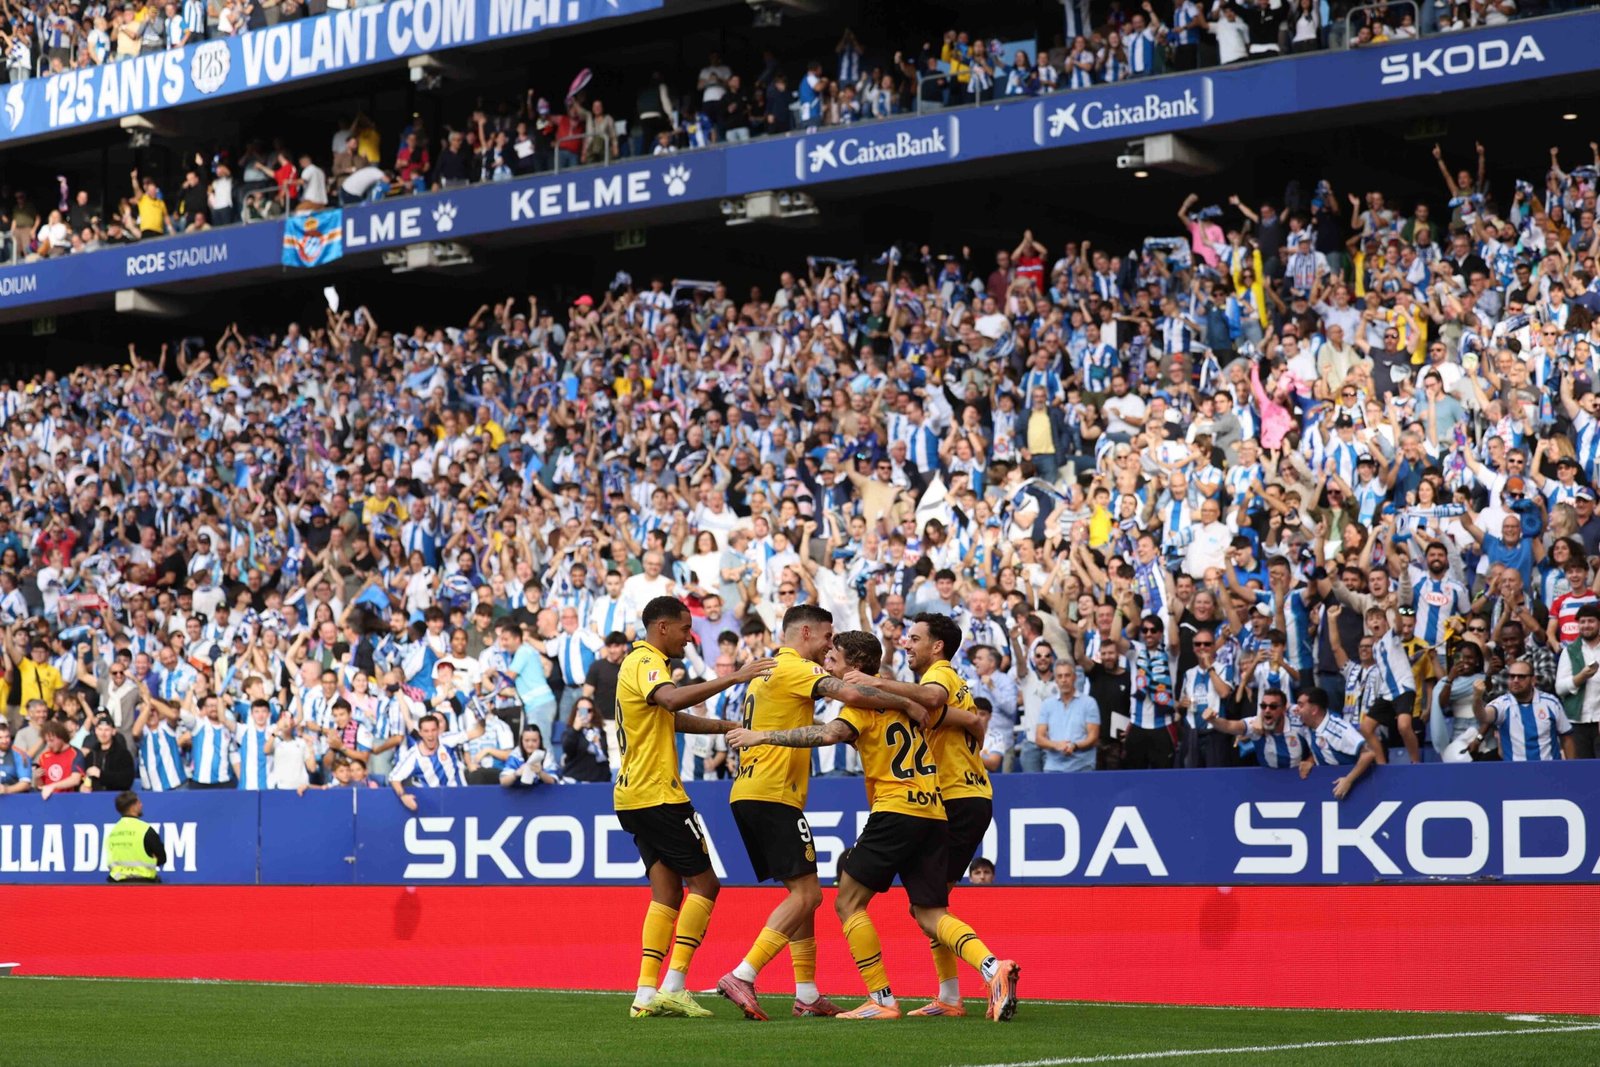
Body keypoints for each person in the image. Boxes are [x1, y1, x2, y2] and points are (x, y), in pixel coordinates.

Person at [730, 629, 1020, 1022]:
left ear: (857, 666)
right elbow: (959, 716)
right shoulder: (908, 700)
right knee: (929, 911)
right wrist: (971, 721)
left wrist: (761, 735)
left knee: (848, 901)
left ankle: (881, 999)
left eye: (835, 656)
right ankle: (992, 969)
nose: (828, 661)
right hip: (933, 812)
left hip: (895, 808)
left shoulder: (861, 704)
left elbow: (829, 733)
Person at [717, 603, 928, 1021]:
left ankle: (808, 994)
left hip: (754, 789)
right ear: (808, 633)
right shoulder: (795, 667)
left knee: (802, 895)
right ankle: (744, 973)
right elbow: (850, 693)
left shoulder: (769, 668)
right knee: (809, 895)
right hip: (772, 792)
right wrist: (907, 702)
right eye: (829, 637)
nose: (831, 645)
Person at [615, 596, 774, 1020]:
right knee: (706, 886)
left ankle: (646, 993)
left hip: (632, 797)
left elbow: (671, 718)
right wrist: (736, 677)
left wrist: (723, 727)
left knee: (667, 892)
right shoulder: (648, 660)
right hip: (659, 795)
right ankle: (675, 984)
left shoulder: (637, 665)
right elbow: (670, 702)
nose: (691, 636)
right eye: (686, 629)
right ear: (663, 627)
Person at [840, 612, 1000, 1016]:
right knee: (929, 905)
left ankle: (991, 969)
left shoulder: (941, 675)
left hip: (953, 798)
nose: (907, 644)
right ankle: (949, 996)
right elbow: (944, 714)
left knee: (927, 909)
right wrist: (971, 722)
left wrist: (874, 682)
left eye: (914, 638)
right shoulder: (945, 682)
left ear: (937, 646)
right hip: (957, 798)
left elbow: (930, 701)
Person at [1475, 659, 1576, 761]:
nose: (1515, 680)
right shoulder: (1502, 704)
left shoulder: (1551, 703)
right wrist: (1476, 698)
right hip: (1515, 773)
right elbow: (1483, 716)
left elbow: (1567, 738)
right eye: (1512, 676)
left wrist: (1571, 769)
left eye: (1521, 677)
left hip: (1549, 772)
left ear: (1533, 680)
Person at [1294, 686, 1379, 799]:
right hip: (1327, 789)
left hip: (1357, 790)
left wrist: (1348, 780)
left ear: (1314, 710)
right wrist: (1311, 760)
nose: (1296, 709)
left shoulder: (1338, 729)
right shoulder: (1308, 725)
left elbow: (1368, 753)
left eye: (1301, 705)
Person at [1036, 660, 1098, 772]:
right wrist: (1056, 745)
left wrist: (1075, 746)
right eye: (1060, 676)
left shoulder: (1089, 703)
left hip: (1082, 766)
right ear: (1055, 680)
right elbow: (1039, 738)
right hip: (1053, 768)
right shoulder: (1047, 704)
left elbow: (1093, 737)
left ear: (1074, 677)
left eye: (1067, 675)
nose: (1064, 680)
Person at [106, 790, 167, 883]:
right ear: (132, 806)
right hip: (144, 884)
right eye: (139, 802)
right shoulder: (145, 829)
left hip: (117, 884)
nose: (141, 805)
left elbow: (111, 860)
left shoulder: (113, 832)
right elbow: (162, 858)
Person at [81, 715, 137, 792]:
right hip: (94, 799)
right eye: (100, 729)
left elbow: (126, 780)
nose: (103, 733)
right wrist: (82, 787)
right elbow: (84, 778)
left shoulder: (123, 754)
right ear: (96, 731)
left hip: (116, 799)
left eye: (107, 730)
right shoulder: (91, 755)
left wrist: (101, 775)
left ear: (113, 731)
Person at [36, 721, 84, 800]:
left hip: (69, 800)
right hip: (48, 800)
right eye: (46, 741)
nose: (49, 744)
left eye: (51, 740)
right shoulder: (44, 756)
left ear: (61, 737)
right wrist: (38, 778)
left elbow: (75, 779)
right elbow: (42, 786)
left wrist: (52, 786)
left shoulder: (75, 754)